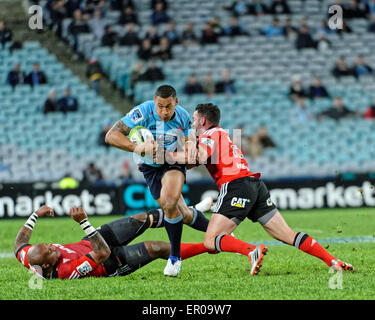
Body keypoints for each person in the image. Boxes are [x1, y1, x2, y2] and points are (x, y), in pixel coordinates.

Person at [170, 103, 354, 275]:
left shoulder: (209, 135)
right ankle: (333, 261)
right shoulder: (220, 134)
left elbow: (198, 157)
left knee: (211, 240)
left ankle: (252, 251)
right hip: (255, 185)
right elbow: (192, 162)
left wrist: (163, 156)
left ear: (202, 121)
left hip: (236, 185)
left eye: (194, 120)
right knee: (287, 234)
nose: (192, 124)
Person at [104, 85, 212, 277]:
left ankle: (175, 257)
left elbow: (188, 144)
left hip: (172, 163)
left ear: (175, 103)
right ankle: (216, 229)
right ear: (154, 102)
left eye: (168, 106)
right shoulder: (142, 112)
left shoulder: (182, 116)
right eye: (160, 106)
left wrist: (188, 150)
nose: (163, 111)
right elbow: (111, 135)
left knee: (170, 202)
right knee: (182, 214)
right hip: (149, 168)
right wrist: (137, 147)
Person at [14, 203, 214, 280]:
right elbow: (103, 254)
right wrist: (84, 221)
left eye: (48, 245)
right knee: (158, 248)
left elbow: (19, 244)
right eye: (50, 251)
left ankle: (188, 211)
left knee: (142, 219)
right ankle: (210, 245)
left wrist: (35, 214)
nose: (52, 246)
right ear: (47, 265)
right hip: (109, 262)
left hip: (92, 242)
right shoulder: (65, 271)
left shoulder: (30, 258)